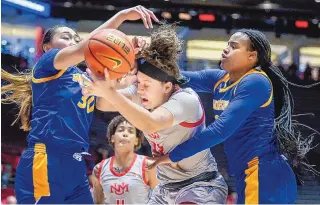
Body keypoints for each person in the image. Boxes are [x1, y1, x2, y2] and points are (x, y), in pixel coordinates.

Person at [1, 6, 158, 204]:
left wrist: (136, 62)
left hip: (76, 164)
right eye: (66, 37)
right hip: (46, 160)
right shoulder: (47, 64)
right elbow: (90, 46)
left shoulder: (86, 79)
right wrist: (122, 17)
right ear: (48, 46)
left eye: (75, 38)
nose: (73, 41)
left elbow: (109, 102)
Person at [148, 29, 320, 204]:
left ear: (252, 56)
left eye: (233, 46)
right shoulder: (220, 79)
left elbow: (221, 130)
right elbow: (177, 77)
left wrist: (173, 155)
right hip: (247, 173)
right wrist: (146, 56)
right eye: (227, 44)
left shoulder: (255, 82)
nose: (226, 49)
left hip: (264, 174)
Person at [81, 23, 228, 204]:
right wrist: (106, 84)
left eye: (146, 85)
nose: (140, 89)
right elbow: (104, 104)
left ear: (167, 86)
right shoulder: (143, 93)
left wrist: (110, 92)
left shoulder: (186, 100)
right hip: (165, 188)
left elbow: (150, 123)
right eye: (139, 83)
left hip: (200, 186)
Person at [92, 115, 158, 204]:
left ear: (137, 140)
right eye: (120, 130)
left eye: (130, 131)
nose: (125, 134)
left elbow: (161, 199)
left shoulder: (148, 165)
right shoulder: (98, 169)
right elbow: (98, 203)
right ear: (112, 138)